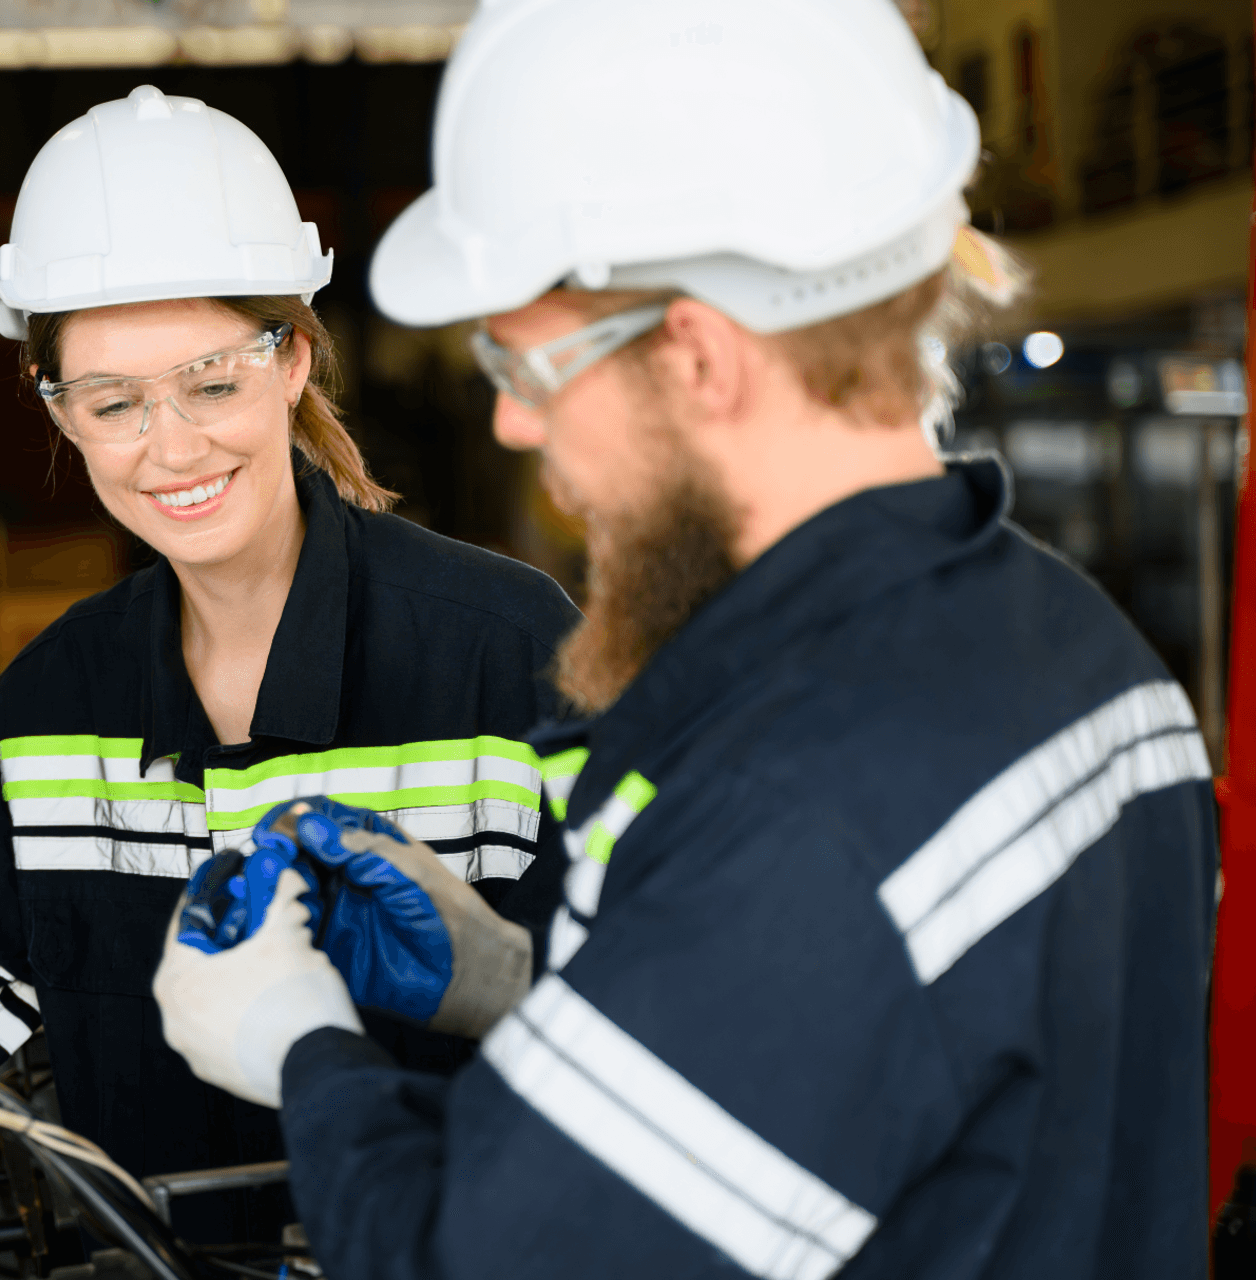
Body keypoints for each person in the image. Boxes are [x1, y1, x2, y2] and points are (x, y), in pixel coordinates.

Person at [152, 2, 1217, 1276]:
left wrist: (300, 1046)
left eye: (527, 368)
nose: (511, 428)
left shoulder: (804, 807)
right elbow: (863, 1085)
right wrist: (514, 978)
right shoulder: (1084, 656)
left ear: (699, 359)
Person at [0, 85, 580, 1240]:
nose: (169, 446)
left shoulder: (508, 656)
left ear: (293, 362)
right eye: (112, 401)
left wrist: (497, 979)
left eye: (212, 383)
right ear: (59, 412)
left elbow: (683, 1027)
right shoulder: (52, 713)